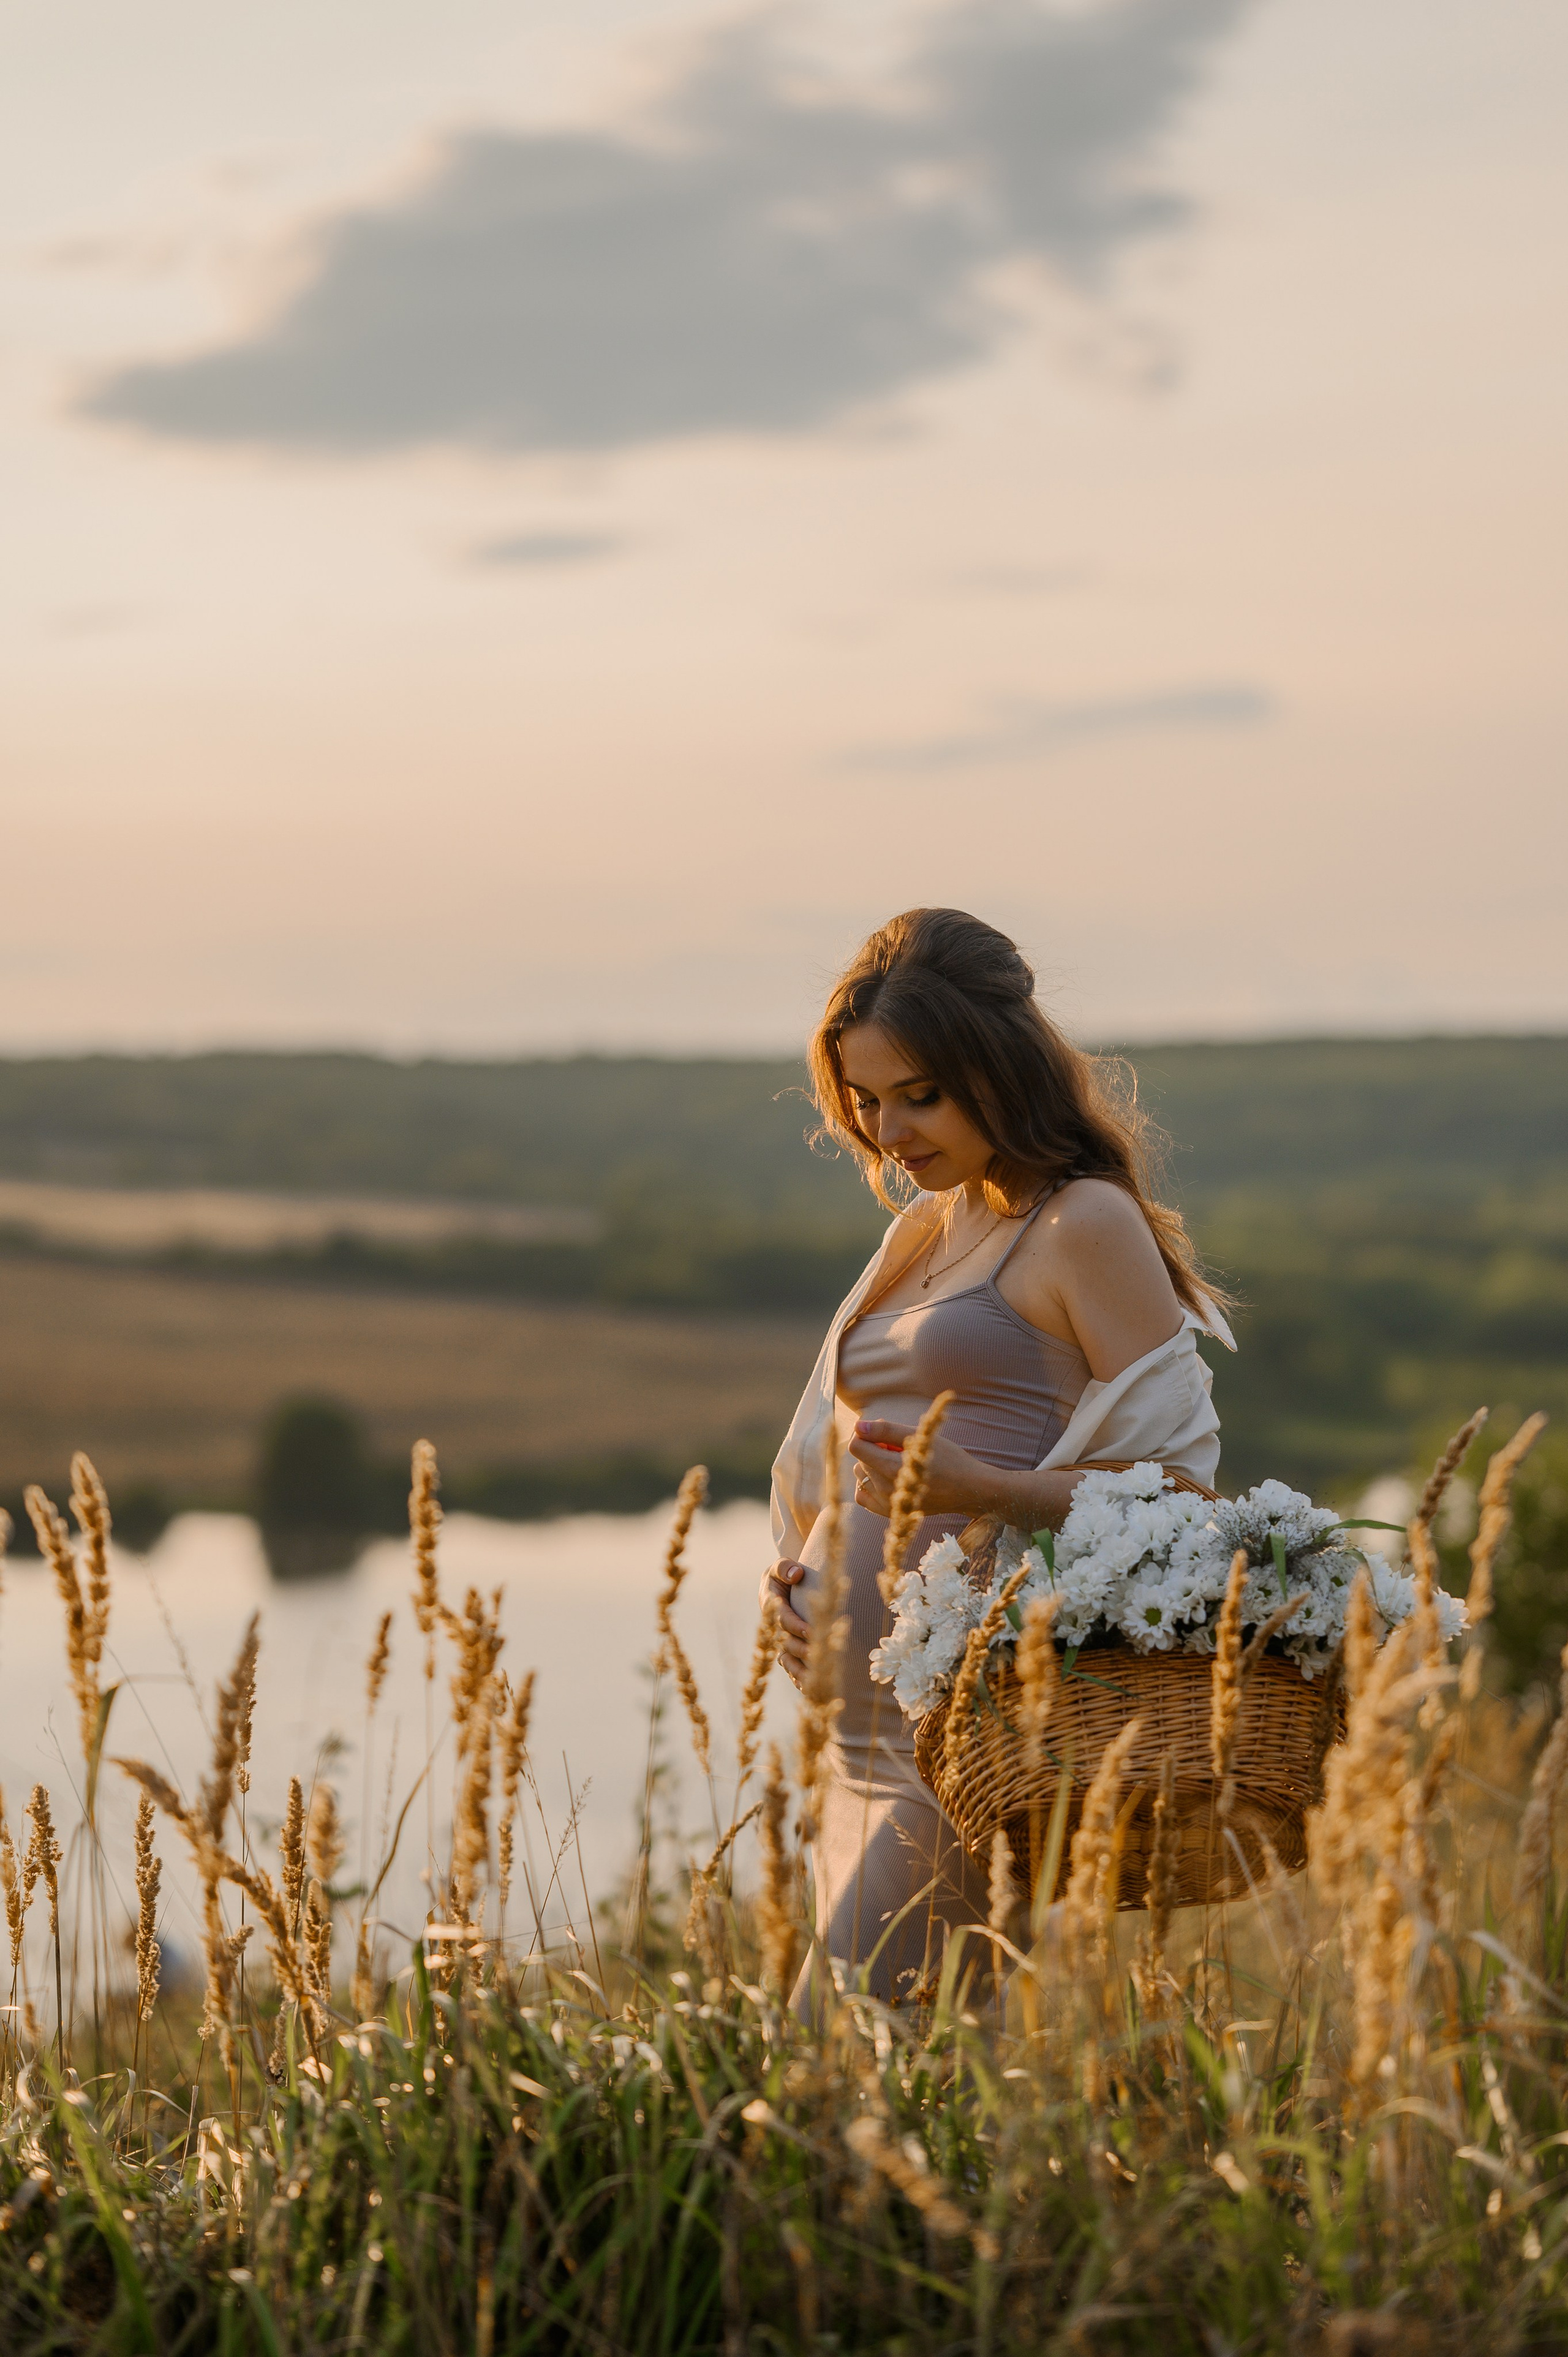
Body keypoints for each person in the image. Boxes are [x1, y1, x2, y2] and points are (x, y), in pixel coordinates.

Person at [762, 908, 1234, 2007]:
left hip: (972, 1742)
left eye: (918, 1094)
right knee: (906, 2081)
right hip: (860, 1731)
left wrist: (983, 1493)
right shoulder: (932, 1225)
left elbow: (1182, 1497)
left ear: (1000, 1069)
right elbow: (849, 1452)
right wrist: (798, 1582)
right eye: (867, 1101)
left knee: (836, 2046)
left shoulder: (1083, 1227)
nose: (889, 1132)